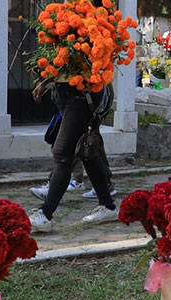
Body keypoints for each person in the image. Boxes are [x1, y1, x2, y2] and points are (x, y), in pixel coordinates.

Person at [28, 76, 118, 232]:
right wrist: (44, 81)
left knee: (62, 153)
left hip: (83, 94)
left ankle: (45, 214)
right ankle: (108, 206)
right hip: (67, 92)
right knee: (86, 154)